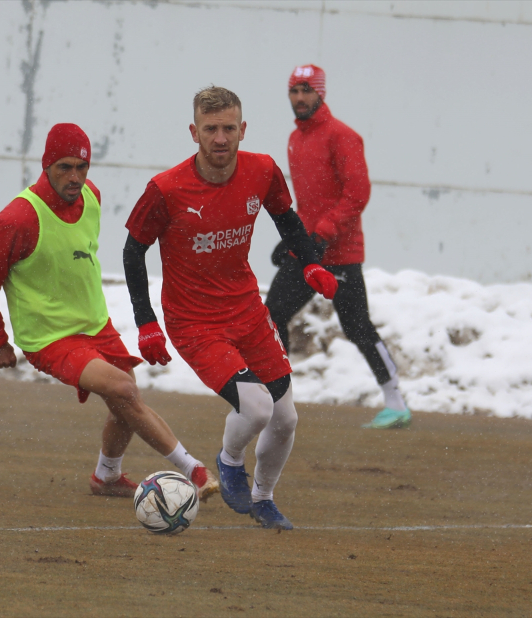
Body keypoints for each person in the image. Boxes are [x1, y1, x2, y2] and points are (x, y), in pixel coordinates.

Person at [122, 87, 337, 530]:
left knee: (285, 419)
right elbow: (132, 250)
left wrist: (312, 263)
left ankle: (263, 498)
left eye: (228, 128)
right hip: (194, 323)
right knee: (256, 409)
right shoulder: (166, 189)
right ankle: (230, 460)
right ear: (194, 132)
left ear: (243, 129)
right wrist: (146, 322)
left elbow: (286, 218)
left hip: (247, 312)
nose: (220, 138)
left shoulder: (261, 170)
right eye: (210, 129)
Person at [0, 123, 219, 502]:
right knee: (123, 389)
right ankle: (193, 470)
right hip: (49, 337)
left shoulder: (93, 196)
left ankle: (106, 476)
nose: (75, 177)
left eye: (82, 167)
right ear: (46, 165)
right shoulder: (17, 219)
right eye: (64, 167)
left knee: (124, 402)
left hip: (95, 325)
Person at [265, 64, 411, 429]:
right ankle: (278, 400)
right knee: (272, 316)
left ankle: (396, 401)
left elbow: (357, 193)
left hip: (340, 253)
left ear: (320, 93)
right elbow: (309, 200)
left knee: (357, 326)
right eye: (294, 91)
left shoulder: (343, 136)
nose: (299, 98)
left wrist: (325, 232)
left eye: (306, 90)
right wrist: (292, 238)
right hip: (307, 252)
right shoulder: (295, 139)